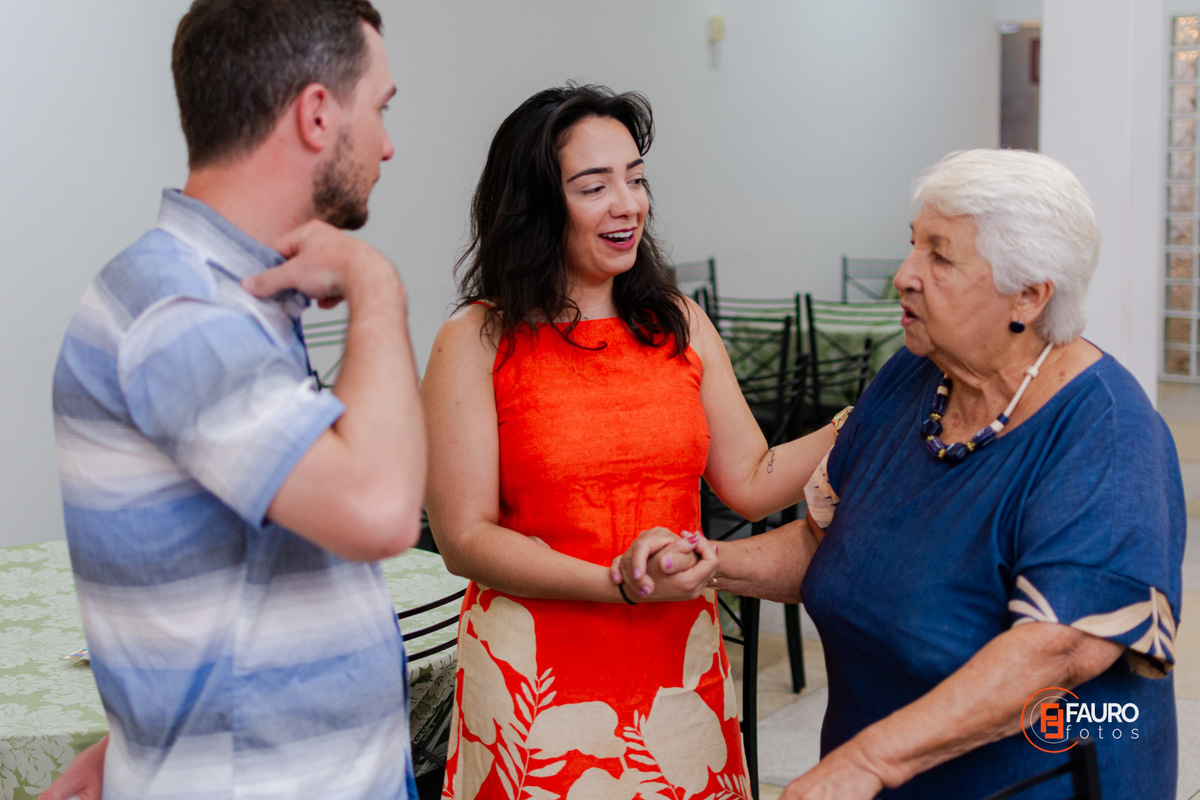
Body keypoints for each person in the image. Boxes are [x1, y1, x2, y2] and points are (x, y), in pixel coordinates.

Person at [623, 149, 1186, 799]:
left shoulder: (1105, 429)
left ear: (1029, 296)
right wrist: (709, 563)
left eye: (939, 257)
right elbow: (828, 545)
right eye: (913, 245)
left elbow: (1057, 649)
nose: (904, 275)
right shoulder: (912, 378)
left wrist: (866, 763)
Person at [47, 1, 426, 798]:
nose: (388, 144)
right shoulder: (179, 308)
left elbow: (223, 583)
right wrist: (377, 285)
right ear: (317, 114)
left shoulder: (223, 300)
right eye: (381, 108)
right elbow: (380, 511)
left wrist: (154, 745)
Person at [421, 84, 836, 799]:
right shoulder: (477, 339)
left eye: (635, 179)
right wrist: (619, 584)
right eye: (595, 187)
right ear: (535, 206)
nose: (628, 204)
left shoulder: (677, 322)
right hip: (536, 683)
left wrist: (850, 426)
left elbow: (752, 477)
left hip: (675, 669)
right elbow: (464, 537)